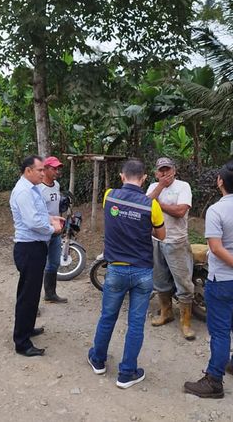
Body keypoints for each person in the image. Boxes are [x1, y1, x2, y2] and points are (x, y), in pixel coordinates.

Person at [184, 161, 233, 399]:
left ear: (220, 181)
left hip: (223, 279)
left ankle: (214, 380)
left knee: (220, 331)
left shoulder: (217, 210)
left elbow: (216, 248)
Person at [88, 159, 166, 389]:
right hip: (143, 272)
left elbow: (117, 219)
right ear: (144, 179)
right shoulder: (151, 206)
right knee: (135, 324)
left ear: (122, 176)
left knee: (107, 316)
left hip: (116, 270)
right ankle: (127, 373)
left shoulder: (109, 196)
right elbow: (161, 236)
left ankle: (98, 360)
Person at [10, 155, 64, 357]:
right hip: (29, 248)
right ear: (28, 171)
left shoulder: (32, 189)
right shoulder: (24, 191)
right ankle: (22, 343)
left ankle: (27, 328)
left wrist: (51, 218)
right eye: (40, 170)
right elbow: (33, 222)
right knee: (28, 294)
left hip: (35, 246)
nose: (43, 173)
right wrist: (53, 229)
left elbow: (38, 214)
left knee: (31, 293)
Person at [146, 157, 196, 340]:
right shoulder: (153, 187)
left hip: (176, 241)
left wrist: (157, 204)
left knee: (184, 282)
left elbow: (180, 211)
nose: (165, 173)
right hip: (156, 240)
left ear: (174, 170)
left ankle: (186, 322)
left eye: (168, 169)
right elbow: (144, 204)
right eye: (161, 170)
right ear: (156, 173)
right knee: (160, 280)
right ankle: (166, 313)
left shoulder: (183, 186)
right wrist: (160, 187)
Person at [38, 156, 68, 304]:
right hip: (43, 232)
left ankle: (50, 294)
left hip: (56, 232)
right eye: (54, 168)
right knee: (37, 266)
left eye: (58, 168)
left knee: (54, 263)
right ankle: (32, 303)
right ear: (45, 169)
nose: (57, 171)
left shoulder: (56, 185)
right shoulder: (38, 188)